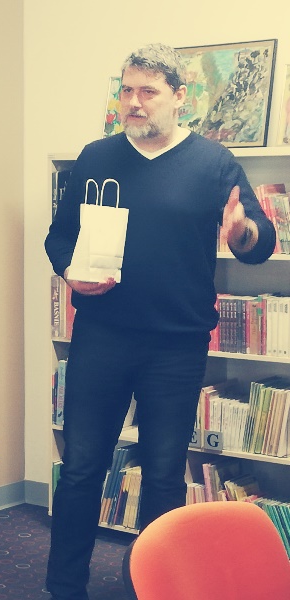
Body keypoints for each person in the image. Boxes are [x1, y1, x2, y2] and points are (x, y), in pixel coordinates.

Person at [43, 44, 275, 600]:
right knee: (81, 468)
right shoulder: (96, 158)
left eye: (148, 91)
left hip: (176, 346)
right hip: (100, 338)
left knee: (165, 474)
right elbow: (59, 237)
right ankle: (64, 587)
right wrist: (71, 272)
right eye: (126, 90)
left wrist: (241, 232)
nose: (134, 102)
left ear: (179, 97)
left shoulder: (214, 164)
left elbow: (260, 243)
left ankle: (157, 589)